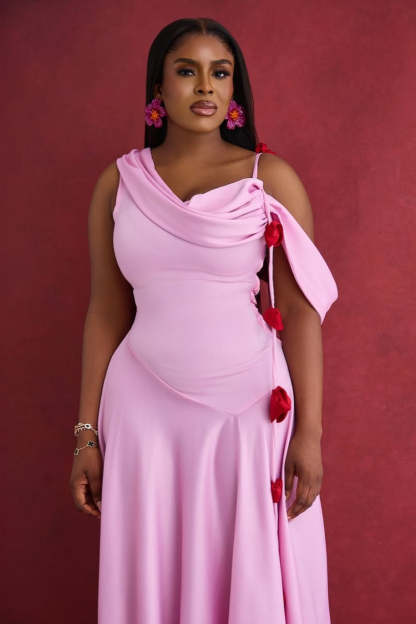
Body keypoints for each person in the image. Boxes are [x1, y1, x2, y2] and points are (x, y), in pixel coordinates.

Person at [69, 17, 338, 624]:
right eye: (187, 71)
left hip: (248, 412)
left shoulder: (270, 180)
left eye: (220, 73)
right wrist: (86, 435)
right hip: (142, 414)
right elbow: (106, 310)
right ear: (158, 89)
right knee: (156, 573)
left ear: (235, 90)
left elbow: (300, 314)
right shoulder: (119, 182)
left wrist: (310, 434)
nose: (205, 86)